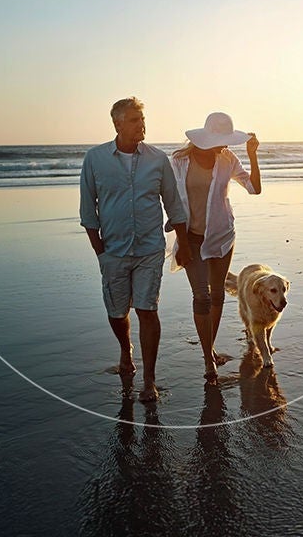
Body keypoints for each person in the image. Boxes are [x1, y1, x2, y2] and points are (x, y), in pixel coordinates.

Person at [80, 96, 192, 402]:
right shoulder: (95, 159)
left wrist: (182, 243)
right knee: (117, 313)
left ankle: (149, 379)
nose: (140, 125)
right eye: (133, 120)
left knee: (147, 309)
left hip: (150, 249)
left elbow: (174, 206)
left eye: (142, 119)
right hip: (113, 251)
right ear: (117, 124)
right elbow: (88, 212)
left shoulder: (157, 160)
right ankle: (125, 351)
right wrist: (100, 253)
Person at [170, 111, 261, 385]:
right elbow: (171, 202)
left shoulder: (228, 160)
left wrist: (252, 154)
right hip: (190, 238)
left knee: (218, 294)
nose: (225, 146)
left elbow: (254, 188)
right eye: (222, 140)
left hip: (221, 236)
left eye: (227, 141)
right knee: (202, 297)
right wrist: (181, 242)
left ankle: (209, 349)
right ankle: (208, 358)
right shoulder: (179, 162)